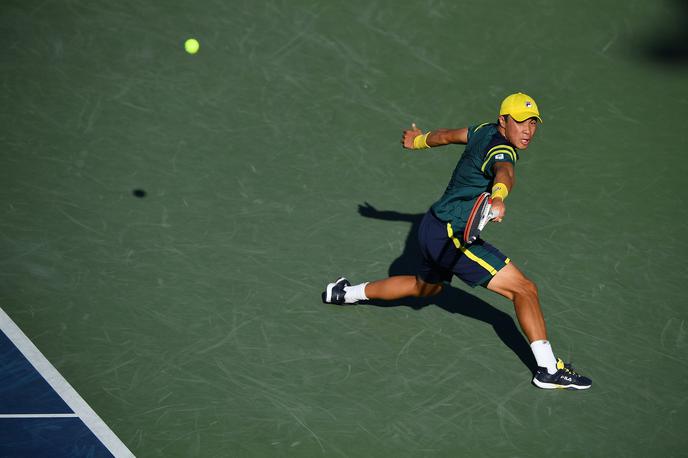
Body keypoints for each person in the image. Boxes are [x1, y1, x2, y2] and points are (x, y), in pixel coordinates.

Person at [322, 93, 592, 390]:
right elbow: (505, 172)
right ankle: (548, 369)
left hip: (432, 226)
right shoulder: (502, 150)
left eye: (533, 123)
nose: (528, 130)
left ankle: (344, 293)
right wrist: (499, 196)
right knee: (524, 289)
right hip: (453, 236)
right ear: (504, 121)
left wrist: (419, 140)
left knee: (423, 287)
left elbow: (446, 136)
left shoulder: (481, 130)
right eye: (520, 122)